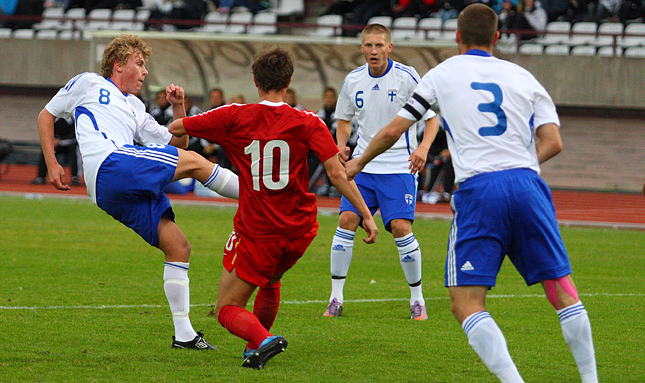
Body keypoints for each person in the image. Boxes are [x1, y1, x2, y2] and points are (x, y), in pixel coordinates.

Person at [345, 4, 598, 383]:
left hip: (480, 188)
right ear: (497, 38)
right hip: (528, 183)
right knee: (561, 288)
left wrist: (357, 163)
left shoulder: (441, 74)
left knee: (466, 303)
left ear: (457, 37)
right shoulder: (523, 76)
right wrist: (518, 163)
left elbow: (392, 130)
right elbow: (553, 141)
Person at [168, 47, 378, 369]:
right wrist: (365, 214)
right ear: (289, 80)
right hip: (299, 229)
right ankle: (255, 349)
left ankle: (262, 339)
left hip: (259, 229)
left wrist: (178, 107)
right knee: (270, 280)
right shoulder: (309, 121)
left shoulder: (234, 115)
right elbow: (338, 173)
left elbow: (177, 129)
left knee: (226, 308)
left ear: (255, 80)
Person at [37, 34, 241, 350]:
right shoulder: (88, 83)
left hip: (111, 188)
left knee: (179, 247)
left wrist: (178, 108)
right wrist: (52, 163)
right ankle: (259, 194)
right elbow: (46, 115)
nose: (145, 72)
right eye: (140, 64)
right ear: (118, 65)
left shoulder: (134, 106)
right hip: (112, 163)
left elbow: (177, 143)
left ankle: (184, 335)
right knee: (197, 163)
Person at [324, 24, 439, 321]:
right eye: (367, 46)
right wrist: (341, 145)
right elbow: (344, 121)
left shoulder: (407, 77)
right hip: (363, 166)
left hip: (399, 166)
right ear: (361, 48)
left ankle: (417, 299)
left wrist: (423, 149)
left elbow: (431, 120)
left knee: (400, 228)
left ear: (390, 48)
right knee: (347, 220)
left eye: (378, 46)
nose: (373, 51)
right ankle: (335, 298)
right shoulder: (353, 81)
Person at [32, 116, 80, 186]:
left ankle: (75, 177)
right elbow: (46, 132)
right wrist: (53, 140)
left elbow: (74, 136)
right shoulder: (52, 119)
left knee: (74, 152)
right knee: (45, 151)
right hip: (55, 145)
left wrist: (60, 140)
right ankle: (41, 176)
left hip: (69, 145)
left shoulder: (73, 120)